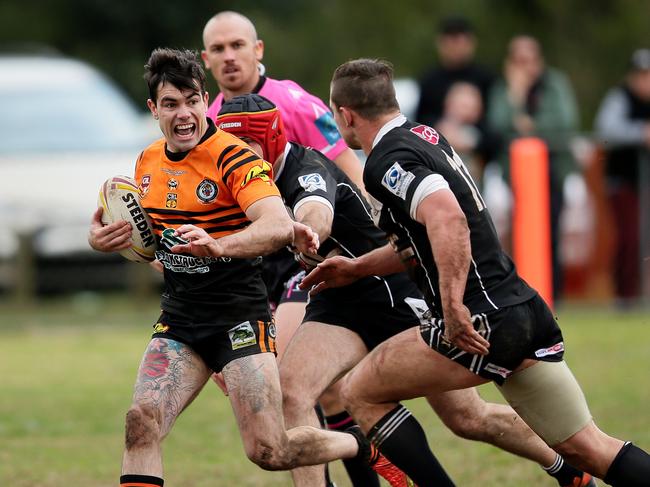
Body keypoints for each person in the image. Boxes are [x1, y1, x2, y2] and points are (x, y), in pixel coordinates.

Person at [300, 57, 650, 487]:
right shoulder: (424, 136)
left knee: (359, 392)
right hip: (520, 307)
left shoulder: (385, 160)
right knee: (588, 448)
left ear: (345, 114)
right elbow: (422, 239)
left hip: (481, 318)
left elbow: (449, 220)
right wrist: (357, 268)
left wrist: (451, 307)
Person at [217, 94, 597, 487]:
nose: (239, 155)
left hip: (390, 293)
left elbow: (317, 213)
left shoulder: (305, 169)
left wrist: (303, 230)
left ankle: (568, 470)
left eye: (246, 145)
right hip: (338, 299)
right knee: (293, 391)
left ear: (273, 138)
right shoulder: (239, 179)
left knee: (467, 418)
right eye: (231, 148)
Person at [87, 47, 376, 487]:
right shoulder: (147, 162)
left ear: (205, 100)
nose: (183, 114)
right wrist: (107, 240)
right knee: (140, 423)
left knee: (269, 450)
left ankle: (358, 444)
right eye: (170, 104)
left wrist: (217, 246)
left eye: (192, 101)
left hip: (239, 320)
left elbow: (279, 226)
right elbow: (153, 244)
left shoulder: (235, 157)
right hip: (180, 322)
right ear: (154, 109)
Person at [200, 11, 379, 486]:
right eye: (218, 49)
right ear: (206, 60)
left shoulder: (291, 102)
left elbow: (351, 178)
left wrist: (374, 251)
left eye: (237, 45)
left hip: (316, 260)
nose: (229, 56)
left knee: (284, 383)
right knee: (332, 392)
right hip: (261, 271)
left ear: (258, 50)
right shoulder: (210, 121)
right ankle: (370, 466)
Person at [486, 35, 580, 299]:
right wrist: (516, 98)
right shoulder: (503, 88)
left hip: (553, 172)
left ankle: (555, 295)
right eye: (518, 60)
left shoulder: (555, 85)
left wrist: (526, 125)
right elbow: (496, 123)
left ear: (539, 61)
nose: (524, 66)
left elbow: (564, 122)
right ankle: (523, 294)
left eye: (528, 59)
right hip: (514, 176)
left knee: (552, 234)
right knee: (517, 236)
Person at [594, 47, 650, 304]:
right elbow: (605, 130)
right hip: (625, 183)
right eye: (641, 75)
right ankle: (626, 298)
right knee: (629, 240)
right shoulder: (620, 98)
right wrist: (640, 133)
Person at [415, 15, 494, 129]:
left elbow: (495, 122)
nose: (455, 47)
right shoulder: (429, 81)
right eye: (451, 41)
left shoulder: (486, 78)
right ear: (440, 44)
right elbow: (421, 119)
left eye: (459, 41)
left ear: (471, 43)